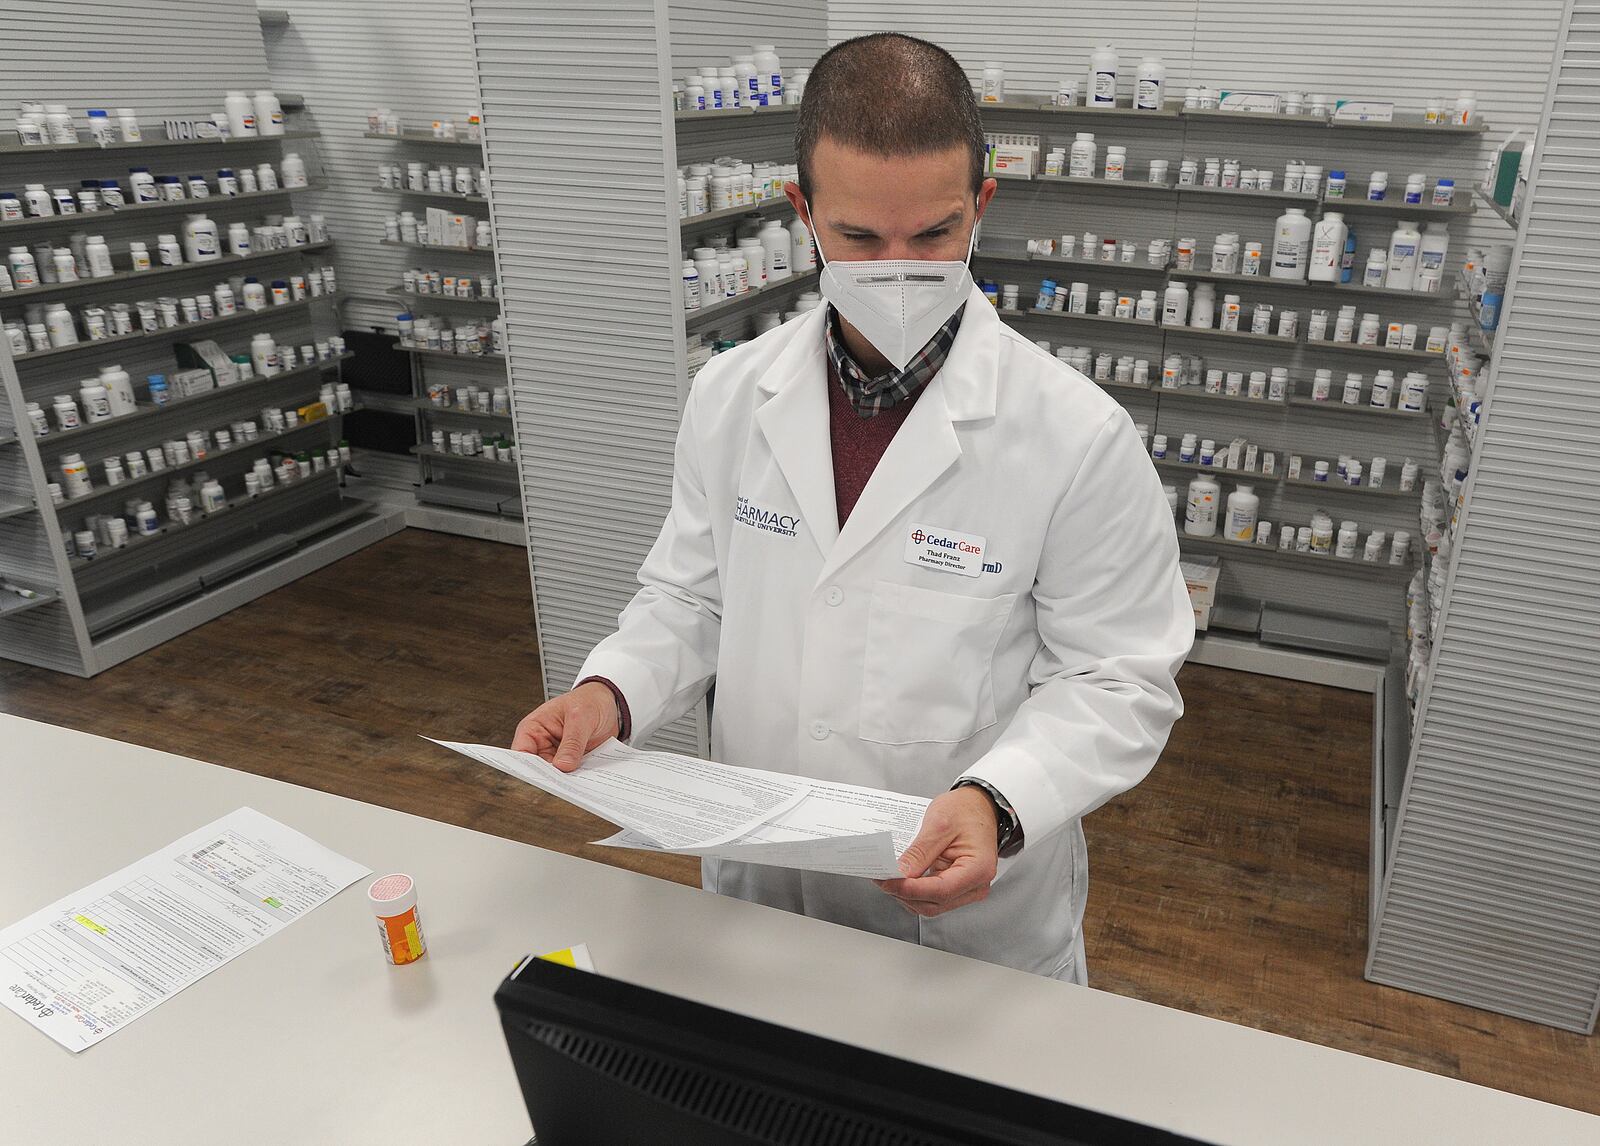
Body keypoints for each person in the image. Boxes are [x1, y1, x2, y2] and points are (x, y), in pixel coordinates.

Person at [512, 32, 1193, 984]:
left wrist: (999, 801)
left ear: (981, 206)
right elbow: (692, 597)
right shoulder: (730, 395)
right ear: (802, 212)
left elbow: (1119, 680)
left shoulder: (1076, 436)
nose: (900, 269)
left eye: (936, 234)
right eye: (861, 239)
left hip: (960, 924)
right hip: (763, 878)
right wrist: (612, 690)